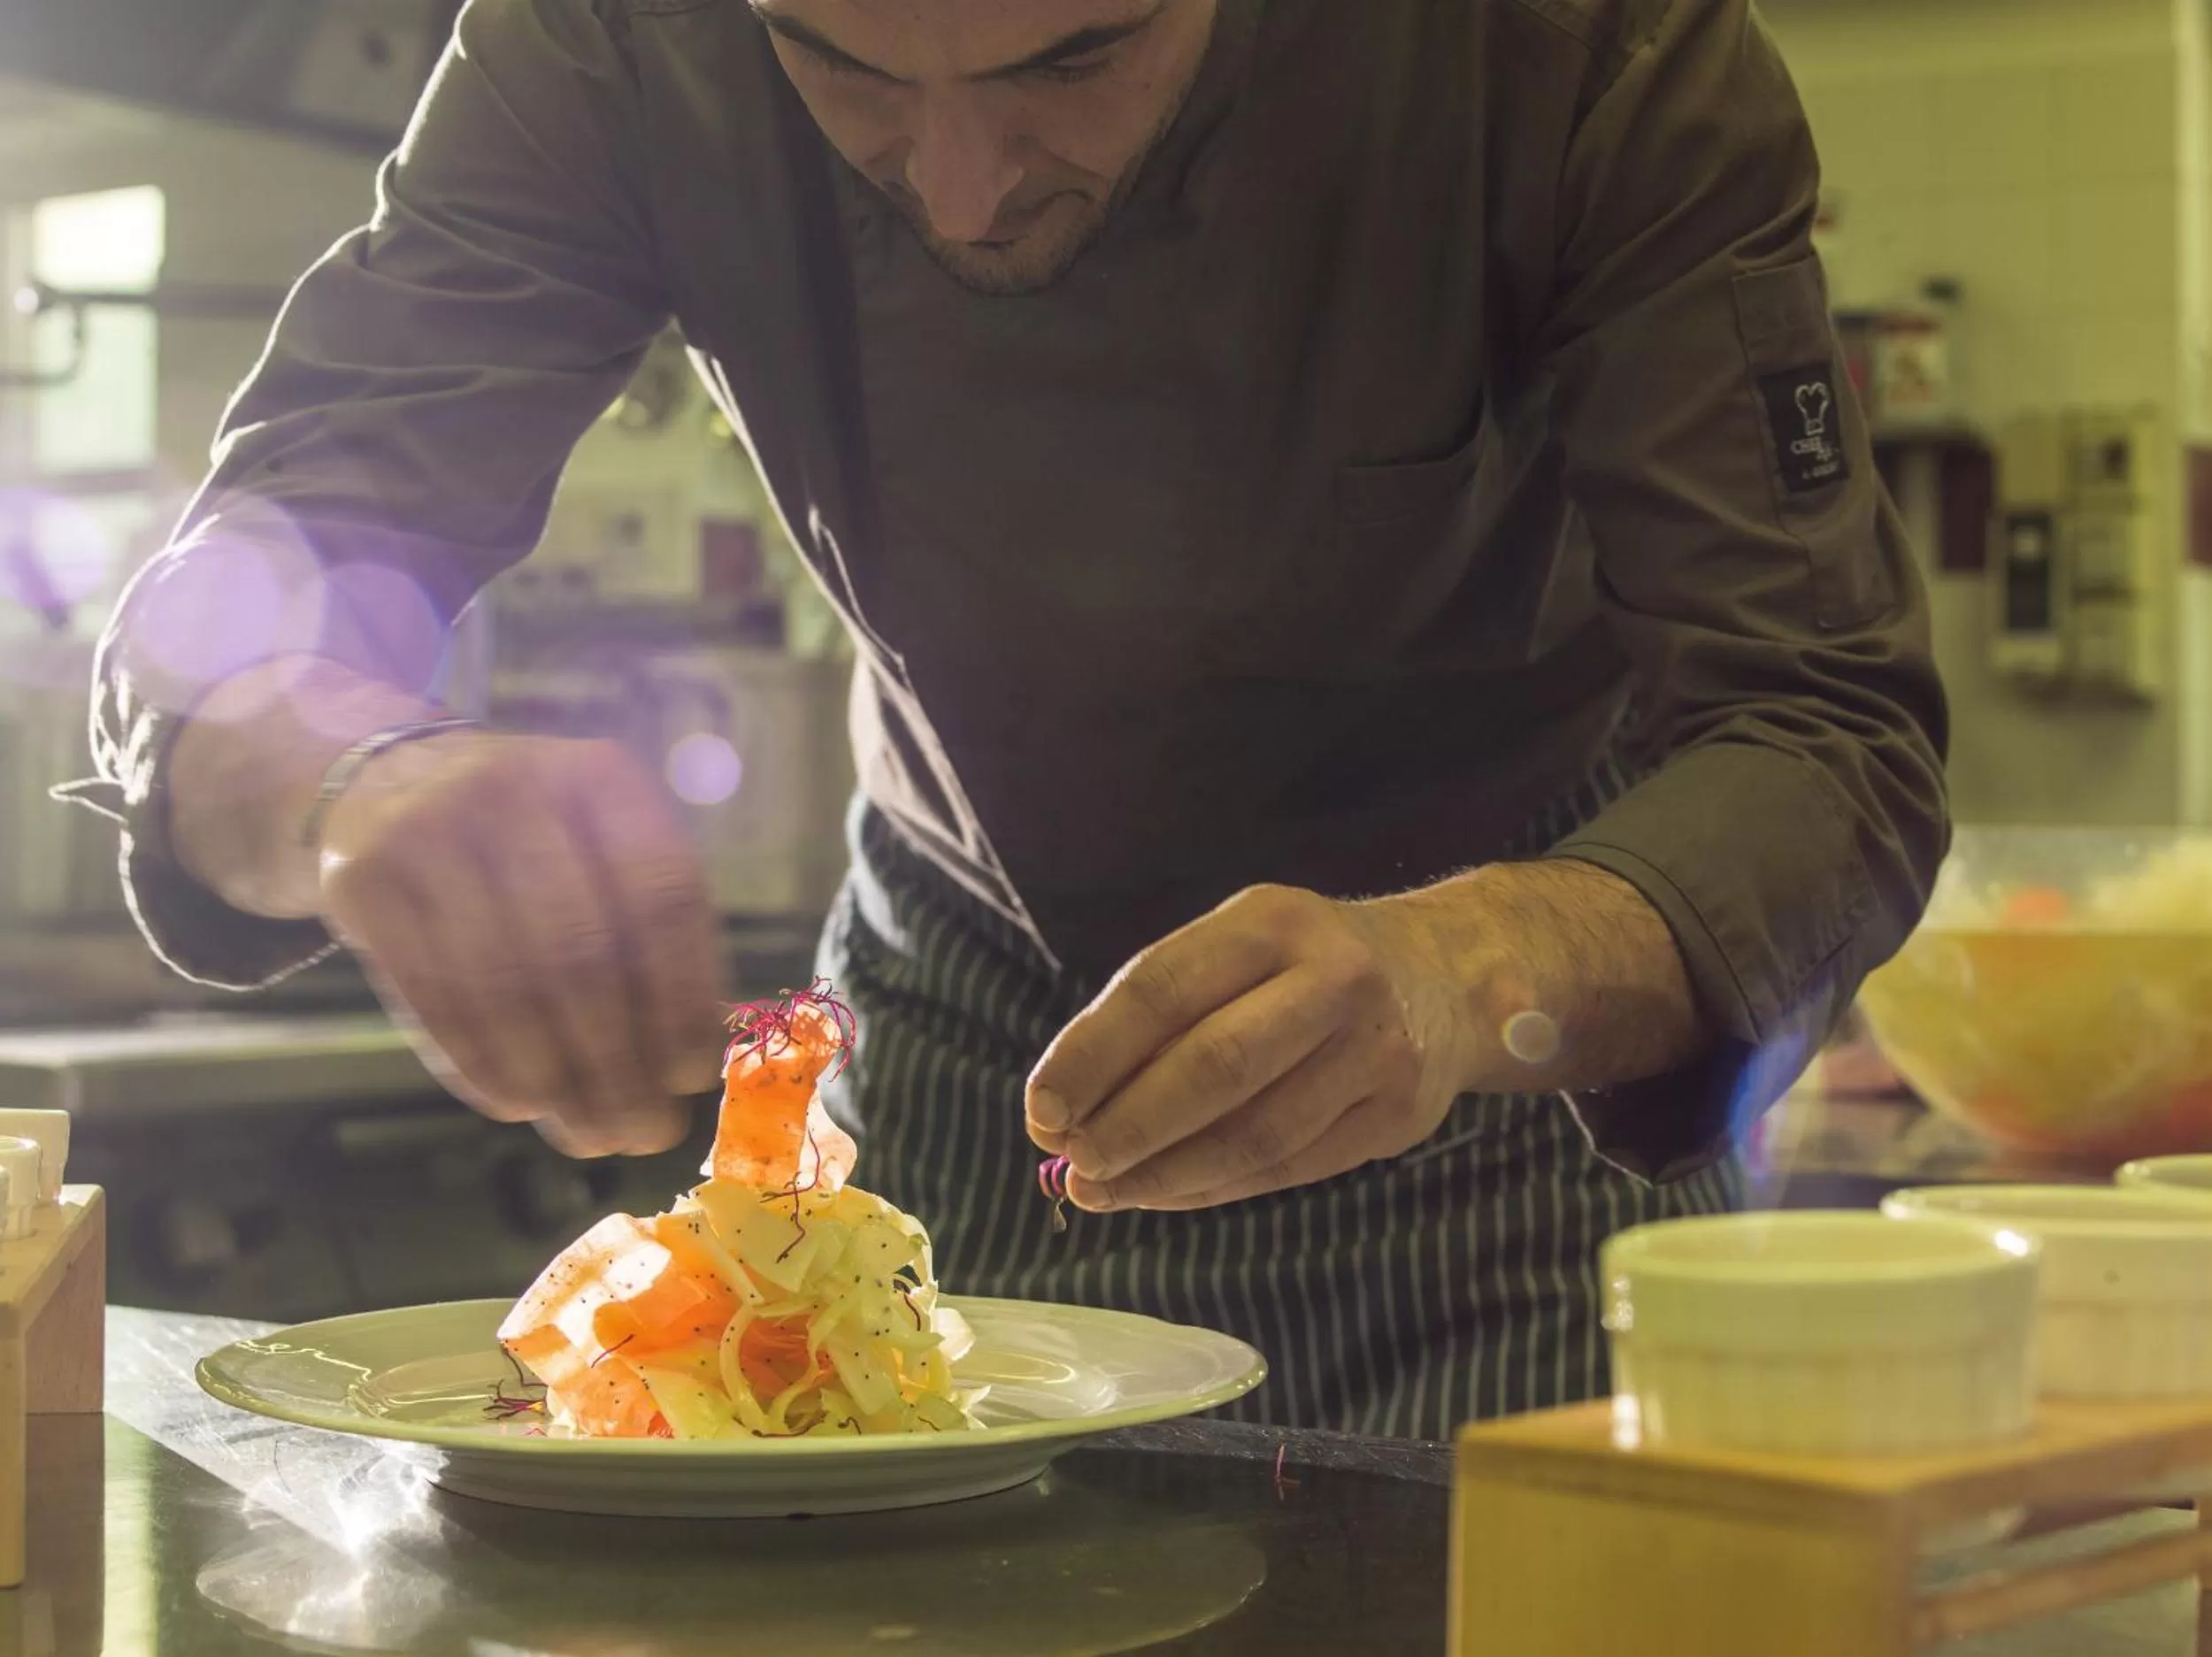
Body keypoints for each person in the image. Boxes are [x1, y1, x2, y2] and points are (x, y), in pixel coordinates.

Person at [66, 0, 1947, 1439]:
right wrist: (336, 770)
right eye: (844, 68)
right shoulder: (613, 38)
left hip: (1510, 1087)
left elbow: (1822, 732)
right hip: (961, 1056)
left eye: (1074, 59)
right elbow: (250, 574)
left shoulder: (1584, 53)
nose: (961, 186)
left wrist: (1468, 967)